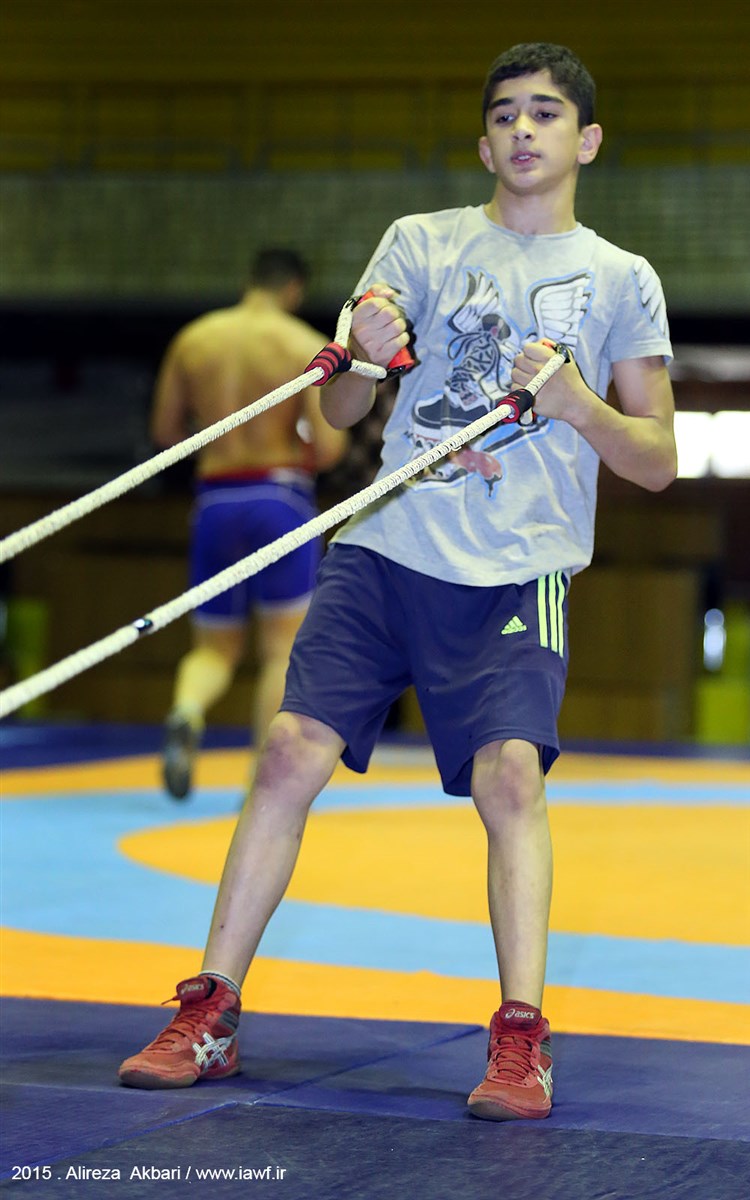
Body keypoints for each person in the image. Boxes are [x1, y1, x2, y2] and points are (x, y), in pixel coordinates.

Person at [119, 44, 677, 1119]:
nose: (524, 129)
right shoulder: (421, 242)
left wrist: (576, 404)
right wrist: (366, 360)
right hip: (385, 543)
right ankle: (210, 1012)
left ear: (588, 141)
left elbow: (655, 459)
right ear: (484, 144)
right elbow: (336, 415)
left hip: (518, 567)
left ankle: (521, 1039)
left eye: (546, 113)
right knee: (289, 747)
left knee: (510, 777)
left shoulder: (621, 278)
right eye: (505, 115)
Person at [150, 249, 348, 799]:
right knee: (281, 649)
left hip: (215, 499)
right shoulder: (300, 343)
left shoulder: (194, 339)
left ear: (249, 281)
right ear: (294, 290)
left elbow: (165, 431)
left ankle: (187, 710)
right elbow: (329, 447)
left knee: (213, 648)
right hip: (279, 498)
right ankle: (261, 779)